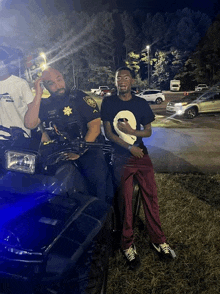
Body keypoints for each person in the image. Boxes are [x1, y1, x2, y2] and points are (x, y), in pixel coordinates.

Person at [101, 66, 176, 270]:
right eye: (118, 78)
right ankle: (127, 244)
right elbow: (108, 133)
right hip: (121, 157)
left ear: (132, 81)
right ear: (115, 81)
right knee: (125, 201)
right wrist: (128, 146)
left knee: (150, 197)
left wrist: (132, 131)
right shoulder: (108, 102)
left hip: (141, 156)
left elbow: (148, 132)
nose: (122, 80)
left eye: (126, 77)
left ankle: (158, 240)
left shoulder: (141, 103)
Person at [24, 67, 113, 202]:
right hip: (61, 151)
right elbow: (30, 124)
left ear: (63, 78)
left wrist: (79, 152)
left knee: (96, 182)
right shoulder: (46, 104)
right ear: (45, 86)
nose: (58, 86)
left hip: (89, 147)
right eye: (51, 83)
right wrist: (38, 94)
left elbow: (94, 128)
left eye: (59, 80)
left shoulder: (79, 97)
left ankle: (101, 211)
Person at [0, 46, 34, 139]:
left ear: (5, 63)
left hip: (20, 138)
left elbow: (33, 110)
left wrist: (42, 132)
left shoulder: (20, 84)